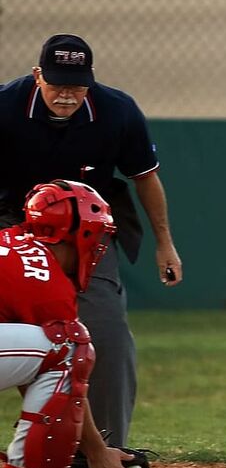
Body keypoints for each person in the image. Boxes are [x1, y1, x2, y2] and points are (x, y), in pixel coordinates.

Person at [0, 33, 183, 446]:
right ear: (37, 75)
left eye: (77, 85)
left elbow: (145, 178)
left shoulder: (117, 111)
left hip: (87, 227)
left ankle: (106, 446)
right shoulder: (5, 106)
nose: (66, 94)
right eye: (57, 83)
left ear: (91, 79)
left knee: (106, 329)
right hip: (13, 218)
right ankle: (44, 432)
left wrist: (165, 243)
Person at [0, 180, 138, 468]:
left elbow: (36, 372)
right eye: (96, 235)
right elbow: (66, 367)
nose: (98, 246)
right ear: (78, 233)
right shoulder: (47, 281)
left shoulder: (10, 240)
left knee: (58, 351)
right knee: (70, 344)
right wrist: (97, 452)